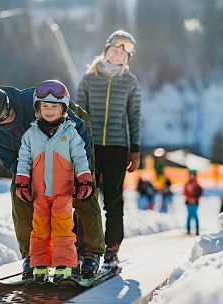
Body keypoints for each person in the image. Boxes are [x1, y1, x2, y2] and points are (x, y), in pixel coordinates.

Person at [0, 81, 105, 279]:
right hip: (33, 161)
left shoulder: (34, 101)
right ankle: (33, 255)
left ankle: (93, 251)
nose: (10, 115)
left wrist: (82, 173)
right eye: (3, 117)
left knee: (84, 189)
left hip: (73, 135)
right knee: (20, 193)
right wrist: (28, 178)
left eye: (8, 108)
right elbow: (11, 160)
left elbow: (78, 134)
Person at [15, 80, 93, 282]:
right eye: (45, 106)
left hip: (63, 192)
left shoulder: (70, 133)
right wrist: (22, 181)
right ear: (38, 109)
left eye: (54, 106)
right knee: (39, 229)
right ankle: (39, 265)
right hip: (39, 193)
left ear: (63, 109)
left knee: (63, 229)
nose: (49, 110)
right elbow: (23, 159)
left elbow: (80, 157)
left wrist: (84, 179)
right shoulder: (31, 134)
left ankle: (64, 266)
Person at [77, 30, 141, 264]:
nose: (117, 56)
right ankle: (83, 246)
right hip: (89, 146)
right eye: (114, 51)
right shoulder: (89, 78)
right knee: (85, 196)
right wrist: (76, 144)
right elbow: (78, 113)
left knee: (113, 200)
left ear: (126, 59)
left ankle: (112, 247)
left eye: (122, 54)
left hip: (117, 147)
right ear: (106, 51)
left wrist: (135, 149)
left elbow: (134, 116)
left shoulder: (130, 82)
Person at [183, 170, 202, 235]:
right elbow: (185, 193)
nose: (192, 176)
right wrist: (189, 199)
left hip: (195, 203)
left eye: (193, 175)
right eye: (191, 175)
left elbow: (199, 193)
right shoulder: (187, 184)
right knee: (189, 216)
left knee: (195, 215)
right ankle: (188, 230)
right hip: (188, 203)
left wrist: (195, 199)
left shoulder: (197, 185)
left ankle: (197, 230)